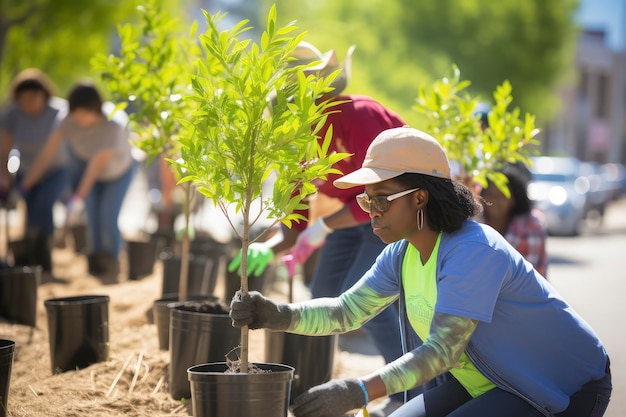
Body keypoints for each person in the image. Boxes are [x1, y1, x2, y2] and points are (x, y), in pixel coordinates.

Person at [230, 126, 611, 417]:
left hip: (560, 384)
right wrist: (276, 315)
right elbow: (346, 312)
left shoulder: (473, 252)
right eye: (365, 200)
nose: (370, 211)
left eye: (380, 199)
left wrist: (358, 391)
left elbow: (441, 351)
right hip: (487, 380)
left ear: (419, 197)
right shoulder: (402, 254)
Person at [228, 41, 406, 408]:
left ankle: (407, 387)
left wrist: (323, 228)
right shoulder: (294, 139)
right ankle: (317, 380)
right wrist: (266, 246)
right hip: (351, 216)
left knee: (366, 298)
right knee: (324, 291)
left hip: (394, 211)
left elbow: (383, 194)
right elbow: (295, 222)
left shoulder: (358, 115)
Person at [20, 82, 138, 278]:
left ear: (96, 108)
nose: (79, 119)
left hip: (118, 173)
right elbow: (46, 155)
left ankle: (111, 265)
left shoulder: (113, 125)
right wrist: (24, 187)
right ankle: (96, 265)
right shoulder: (66, 121)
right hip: (89, 169)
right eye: (76, 113)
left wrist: (75, 201)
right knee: (92, 218)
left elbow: (94, 169)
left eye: (84, 113)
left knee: (107, 216)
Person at [0, 69, 70, 274]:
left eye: (33, 99)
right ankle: (30, 261)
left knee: (43, 204)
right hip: (26, 169)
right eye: (24, 100)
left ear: (44, 95)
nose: (29, 104)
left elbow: (46, 157)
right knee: (30, 212)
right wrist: (4, 178)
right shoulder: (13, 114)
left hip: (55, 169)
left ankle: (44, 258)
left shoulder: (58, 112)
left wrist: (22, 188)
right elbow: (4, 150)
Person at [481, 162, 549, 277]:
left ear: (514, 199)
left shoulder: (531, 226)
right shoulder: (472, 223)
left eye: (502, 195)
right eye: (490, 194)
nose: (495, 200)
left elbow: (533, 277)